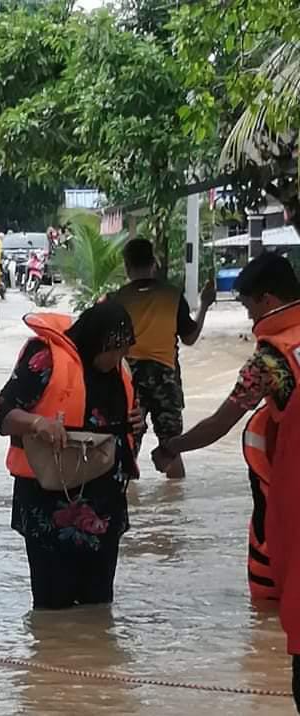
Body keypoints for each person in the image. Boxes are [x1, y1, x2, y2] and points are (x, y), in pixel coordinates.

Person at [150, 254, 300, 708]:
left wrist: (171, 446)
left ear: (268, 300)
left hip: (290, 491)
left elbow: (221, 422)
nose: (251, 317)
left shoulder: (270, 359)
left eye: (251, 308)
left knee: (278, 592)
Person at [0, 303, 140, 609]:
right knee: (52, 608)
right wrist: (37, 423)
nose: (116, 358)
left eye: (123, 350)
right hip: (48, 502)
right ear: (93, 340)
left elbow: (125, 428)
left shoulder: (120, 369)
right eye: (111, 350)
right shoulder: (44, 359)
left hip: (103, 505)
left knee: (98, 608)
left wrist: (137, 422)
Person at [109, 238, 216, 479]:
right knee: (172, 447)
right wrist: (204, 306)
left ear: (126, 266)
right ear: (154, 263)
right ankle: (176, 507)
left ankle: (129, 506)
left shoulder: (117, 299)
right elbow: (189, 339)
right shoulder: (172, 296)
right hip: (165, 377)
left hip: (128, 380)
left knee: (126, 448)